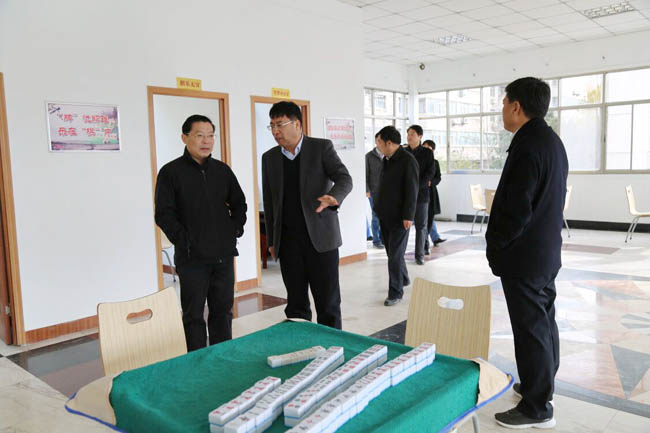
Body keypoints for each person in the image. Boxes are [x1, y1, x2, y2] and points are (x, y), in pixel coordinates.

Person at [486, 77, 568, 429]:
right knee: (543, 322)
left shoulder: (528, 146)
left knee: (530, 328)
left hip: (525, 257)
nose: (503, 110)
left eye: (505, 103)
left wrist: (496, 246)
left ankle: (537, 408)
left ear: (516, 106)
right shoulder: (550, 141)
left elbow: (516, 210)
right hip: (544, 253)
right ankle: (540, 385)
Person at [155, 114, 247, 351]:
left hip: (223, 255)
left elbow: (239, 203)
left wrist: (234, 229)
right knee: (193, 316)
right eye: (199, 135)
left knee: (222, 312)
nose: (206, 141)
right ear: (184, 138)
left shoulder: (222, 171)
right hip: (191, 259)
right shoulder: (171, 172)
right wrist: (185, 241)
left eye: (210, 136)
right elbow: (164, 214)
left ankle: (222, 357)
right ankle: (196, 361)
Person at [262, 101, 352, 329]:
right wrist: (272, 241)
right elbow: (271, 202)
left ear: (297, 124)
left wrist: (334, 197)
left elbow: (344, 178)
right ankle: (300, 345)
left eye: (280, 125)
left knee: (328, 304)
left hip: (321, 240)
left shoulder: (321, 148)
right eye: (272, 126)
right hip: (288, 243)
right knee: (296, 305)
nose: (275, 131)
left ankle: (332, 347)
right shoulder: (269, 158)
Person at [373, 125, 418, 306]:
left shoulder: (408, 160)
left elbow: (412, 190)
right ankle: (403, 278)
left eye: (379, 142)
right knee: (392, 253)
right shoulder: (387, 159)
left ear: (389, 143)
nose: (377, 146)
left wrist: (409, 215)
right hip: (385, 214)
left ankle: (395, 292)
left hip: (400, 217)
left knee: (395, 256)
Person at [404, 125, 434, 265]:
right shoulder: (403, 152)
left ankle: (419, 255)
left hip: (421, 195)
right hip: (405, 195)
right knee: (404, 225)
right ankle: (400, 253)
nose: (409, 137)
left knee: (421, 226)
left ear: (420, 137)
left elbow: (430, 172)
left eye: (412, 134)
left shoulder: (427, 153)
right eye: (408, 134)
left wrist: (416, 187)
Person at [422, 140, 445, 253]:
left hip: (431, 192)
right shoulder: (418, 161)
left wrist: (431, 182)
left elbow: (438, 177)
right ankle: (424, 245)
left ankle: (428, 242)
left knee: (430, 219)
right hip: (421, 192)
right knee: (422, 221)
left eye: (428, 148)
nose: (426, 150)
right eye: (424, 148)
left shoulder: (435, 162)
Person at [365, 133, 383, 248]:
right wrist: (367, 190)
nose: (381, 142)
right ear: (376, 141)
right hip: (374, 192)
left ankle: (383, 238)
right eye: (379, 140)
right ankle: (376, 240)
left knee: (385, 217)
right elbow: (365, 174)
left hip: (387, 192)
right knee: (376, 216)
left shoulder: (388, 155)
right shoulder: (369, 156)